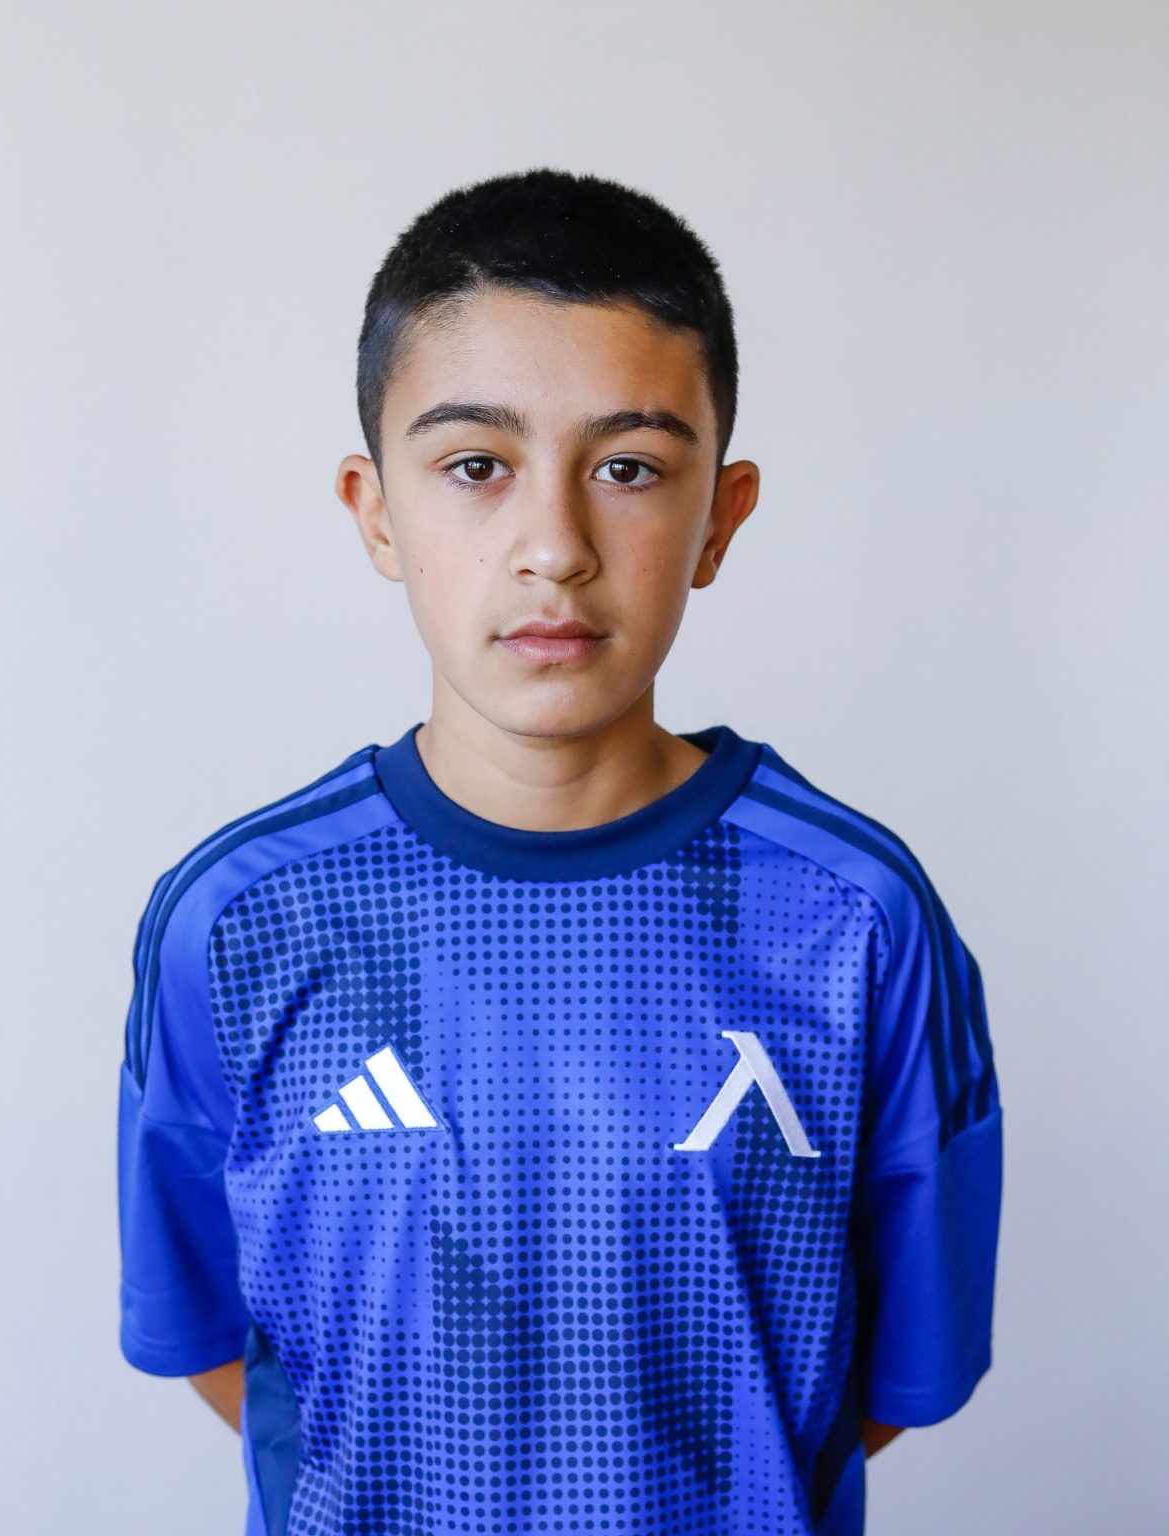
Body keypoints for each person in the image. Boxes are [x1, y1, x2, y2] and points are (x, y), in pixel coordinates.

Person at [116, 166, 1002, 1536]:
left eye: (628, 468)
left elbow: (880, 1382)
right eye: (476, 466)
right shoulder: (238, 920)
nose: (554, 547)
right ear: (374, 509)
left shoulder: (858, 917)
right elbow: (228, 1342)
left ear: (719, 517)